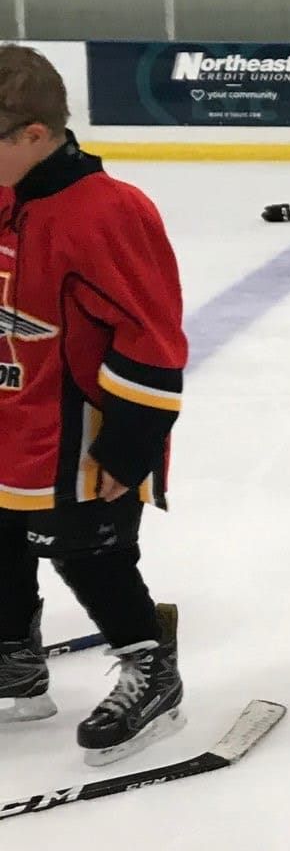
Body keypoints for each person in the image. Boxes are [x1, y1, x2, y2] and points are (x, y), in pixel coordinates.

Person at [0, 46, 188, 763]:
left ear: (35, 136)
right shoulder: (5, 189)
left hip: (78, 428)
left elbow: (152, 335)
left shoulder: (108, 212)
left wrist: (131, 444)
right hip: (10, 413)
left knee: (87, 552)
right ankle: (14, 660)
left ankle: (151, 667)